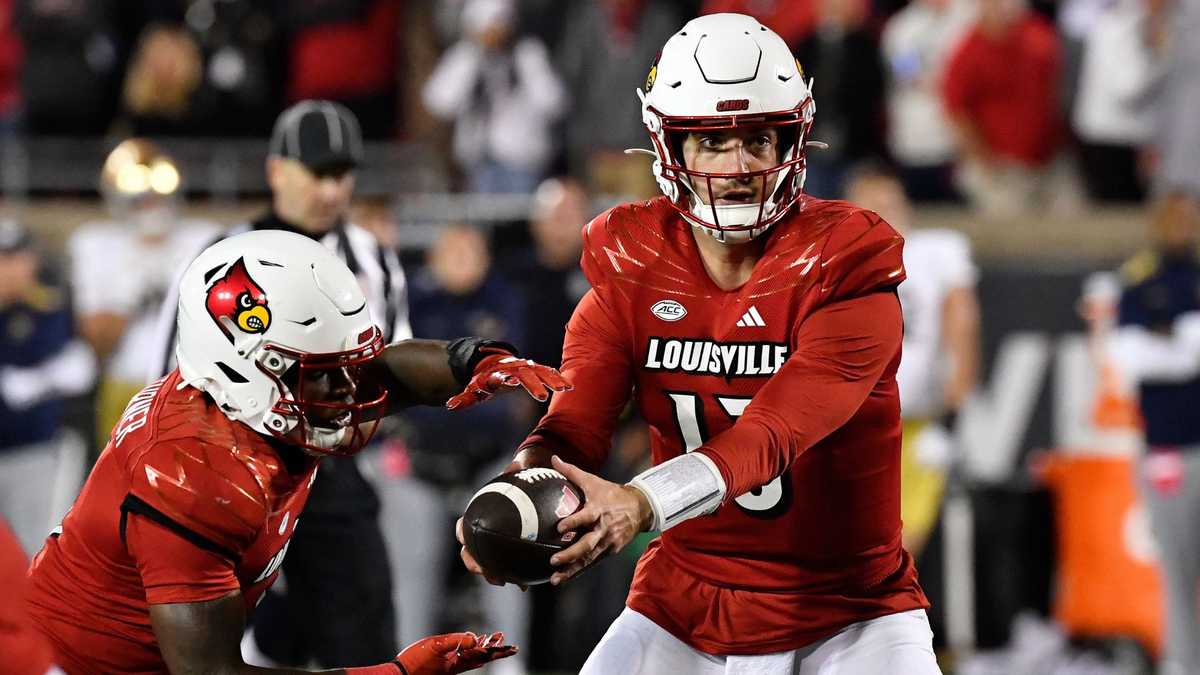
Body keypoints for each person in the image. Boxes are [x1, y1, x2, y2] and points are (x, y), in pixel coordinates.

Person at [458, 14, 938, 674]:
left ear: (792, 143)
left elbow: (770, 436)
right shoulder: (631, 264)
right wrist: (523, 487)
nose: (738, 166)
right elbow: (575, 424)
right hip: (683, 607)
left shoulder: (846, 267)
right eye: (712, 141)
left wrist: (639, 502)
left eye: (758, 139)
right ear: (670, 148)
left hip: (847, 614)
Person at [25, 228, 569, 674]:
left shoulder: (254, 401)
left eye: (344, 367)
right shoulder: (194, 472)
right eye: (325, 376)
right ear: (244, 368)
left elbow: (384, 371)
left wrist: (475, 361)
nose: (351, 393)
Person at [146, 100, 413, 667]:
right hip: (232, 470)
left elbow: (392, 368)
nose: (331, 190)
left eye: (342, 174)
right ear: (276, 171)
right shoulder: (222, 256)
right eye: (317, 173)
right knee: (213, 646)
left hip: (333, 473)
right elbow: (169, 371)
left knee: (364, 640)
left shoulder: (376, 260)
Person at [844, 164, 980, 557]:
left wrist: (953, 419)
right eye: (873, 205)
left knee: (899, 550)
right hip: (852, 423)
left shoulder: (935, 252)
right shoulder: (832, 260)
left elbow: (962, 327)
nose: (884, 213)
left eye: (890, 202)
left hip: (914, 421)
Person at [69, 139, 218, 447]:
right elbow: (97, 343)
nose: (151, 204)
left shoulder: (204, 236)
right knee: (124, 485)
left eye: (158, 194)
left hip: (195, 386)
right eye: (141, 197)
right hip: (127, 384)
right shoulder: (96, 244)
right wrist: (132, 294)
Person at [1110, 190, 1200, 675]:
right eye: (1175, 216)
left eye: (1191, 216)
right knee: (1178, 571)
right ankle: (1183, 665)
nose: (1183, 226)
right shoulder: (1142, 283)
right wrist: (1184, 344)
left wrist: (1174, 338)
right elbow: (1130, 358)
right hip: (1169, 451)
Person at [0, 220, 95, 555]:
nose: (9, 269)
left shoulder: (47, 307)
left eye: (16, 258)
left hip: (33, 451)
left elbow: (77, 368)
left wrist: (37, 381)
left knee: (32, 549)